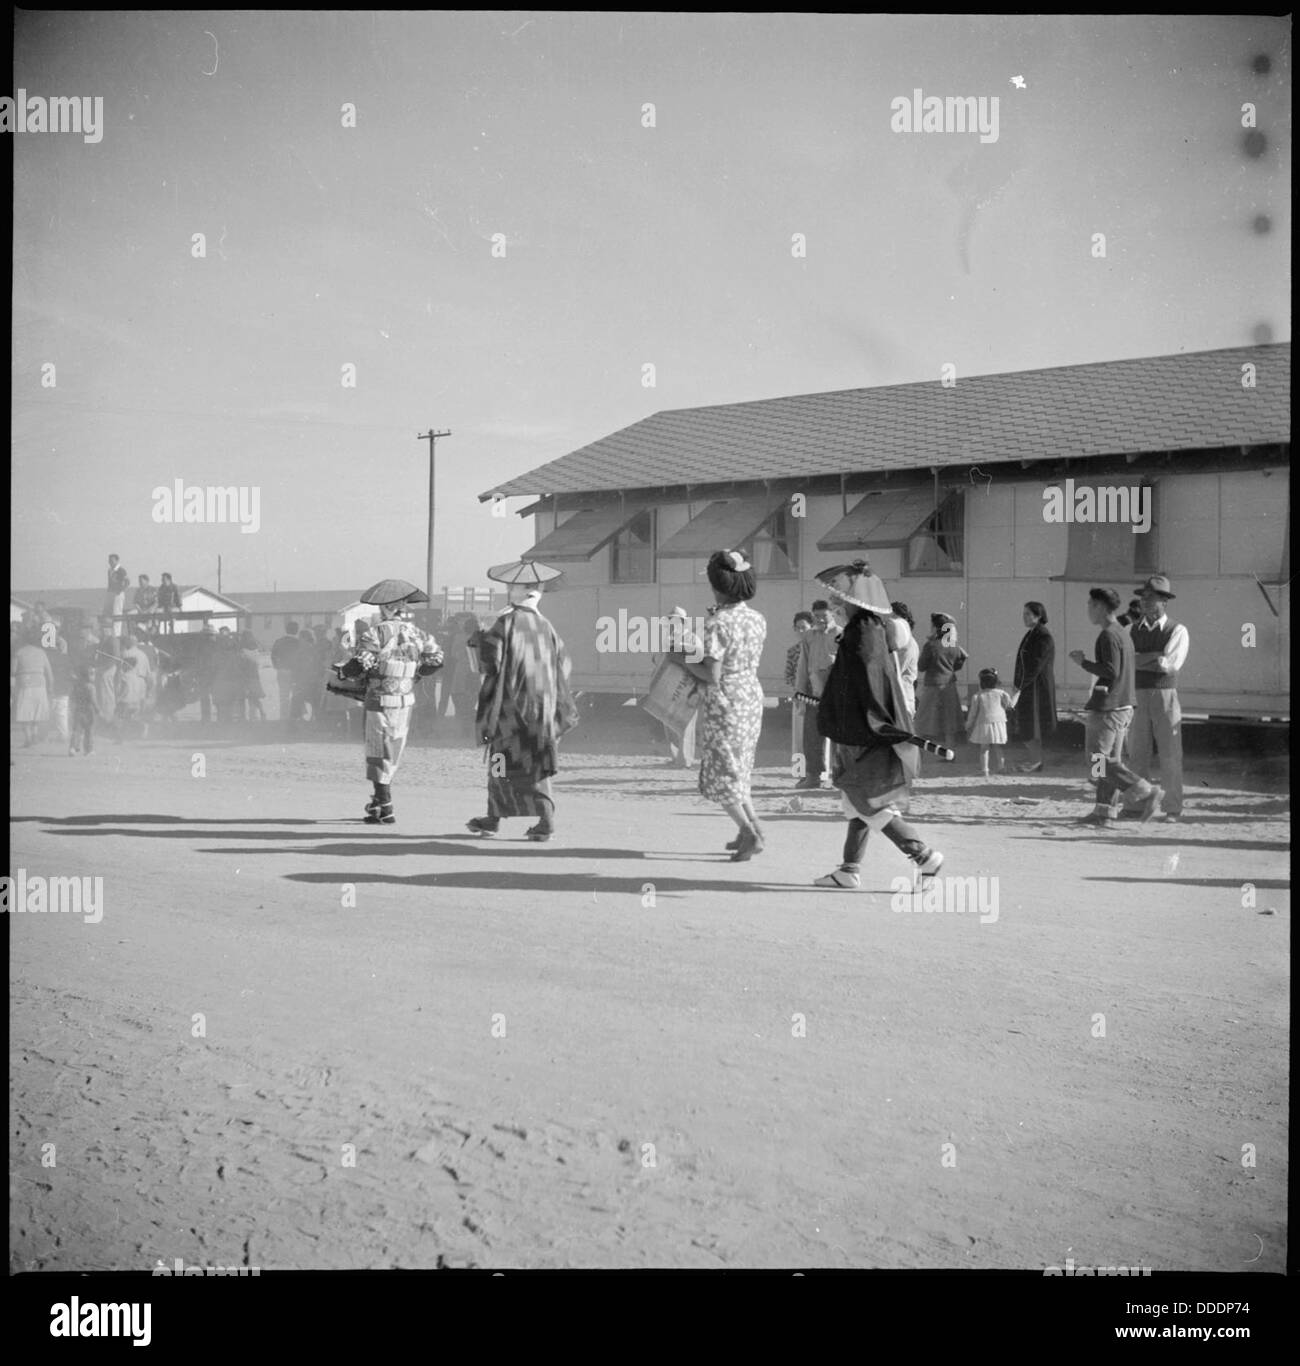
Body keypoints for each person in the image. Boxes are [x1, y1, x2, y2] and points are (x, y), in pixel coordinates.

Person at [810, 560, 944, 890]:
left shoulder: (864, 634)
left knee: (868, 800)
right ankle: (849, 868)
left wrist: (861, 721)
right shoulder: (865, 630)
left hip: (865, 732)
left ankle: (923, 855)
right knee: (855, 801)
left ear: (857, 601)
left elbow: (868, 689)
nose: (836, 604)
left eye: (840, 598)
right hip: (863, 729)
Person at [666, 549, 766, 860]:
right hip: (751, 696)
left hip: (726, 702)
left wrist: (679, 658)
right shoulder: (756, 618)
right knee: (740, 771)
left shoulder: (717, 623)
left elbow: (711, 672)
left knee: (724, 774)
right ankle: (753, 829)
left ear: (717, 586)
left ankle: (749, 834)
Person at [466, 575, 577, 841]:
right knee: (537, 763)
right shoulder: (547, 626)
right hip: (543, 710)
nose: (508, 589)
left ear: (524, 591)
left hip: (510, 710)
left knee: (499, 762)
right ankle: (544, 820)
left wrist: (480, 638)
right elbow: (565, 666)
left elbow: (489, 665)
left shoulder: (505, 623)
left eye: (512, 586)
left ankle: (493, 818)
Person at [336, 585, 443, 824]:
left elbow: (360, 664)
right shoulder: (419, 634)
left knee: (377, 750)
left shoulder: (374, 634)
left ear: (385, 608)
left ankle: (385, 804)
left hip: (379, 699)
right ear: (402, 607)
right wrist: (413, 673)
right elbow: (436, 660)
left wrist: (345, 671)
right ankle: (378, 802)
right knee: (393, 751)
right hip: (405, 700)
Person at [1069, 587, 1163, 827]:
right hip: (1123, 706)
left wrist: (1083, 663)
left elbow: (1111, 671)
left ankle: (1145, 790)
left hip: (1110, 707)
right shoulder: (1121, 633)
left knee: (1097, 759)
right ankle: (1104, 812)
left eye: (1090, 605)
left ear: (1100, 607)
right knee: (1109, 760)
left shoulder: (1108, 635)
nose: (1088, 610)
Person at [1119, 575, 1188, 823]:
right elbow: (1126, 664)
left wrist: (1141, 659)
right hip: (1136, 694)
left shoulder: (1177, 630)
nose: (1146, 603)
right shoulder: (1129, 629)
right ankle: (1134, 806)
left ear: (1164, 602)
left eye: (1153, 598)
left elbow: (1169, 665)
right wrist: (1153, 657)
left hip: (1165, 695)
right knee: (1136, 753)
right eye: (1144, 598)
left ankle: (1172, 808)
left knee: (1170, 753)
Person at [794, 599, 841, 789]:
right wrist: (800, 692)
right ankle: (813, 775)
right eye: (817, 616)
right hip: (814, 695)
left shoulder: (841, 634)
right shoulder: (809, 636)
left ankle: (840, 776)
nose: (820, 619)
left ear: (833, 614)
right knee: (812, 737)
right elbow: (802, 666)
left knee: (840, 739)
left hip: (837, 696)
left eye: (824, 615)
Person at [1012, 601, 1056, 773]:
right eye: (1024, 614)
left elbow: (1035, 666)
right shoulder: (1032, 634)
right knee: (1029, 725)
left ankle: (1036, 761)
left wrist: (1019, 688)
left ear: (1038, 616)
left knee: (1031, 725)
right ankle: (1035, 760)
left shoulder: (1043, 636)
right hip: (1029, 686)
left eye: (1028, 614)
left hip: (1035, 688)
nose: (1024, 617)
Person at [914, 614, 967, 752]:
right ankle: (950, 753)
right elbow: (957, 665)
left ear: (936, 628)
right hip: (949, 685)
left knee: (922, 721)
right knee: (949, 722)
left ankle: (917, 753)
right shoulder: (953, 645)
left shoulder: (931, 645)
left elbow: (921, 666)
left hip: (933, 685)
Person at [965, 668, 1014, 777]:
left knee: (984, 748)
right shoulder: (1002, 693)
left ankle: (985, 770)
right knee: (998, 747)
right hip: (999, 723)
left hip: (983, 723)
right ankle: (1001, 767)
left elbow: (973, 713)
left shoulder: (977, 696)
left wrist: (968, 724)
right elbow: (1009, 706)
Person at [12, 628, 53, 746]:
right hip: (40, 685)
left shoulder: (19, 652)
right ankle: (34, 734)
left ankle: (28, 738)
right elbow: (49, 672)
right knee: (36, 711)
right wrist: (50, 686)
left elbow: (13, 671)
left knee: (24, 713)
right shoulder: (41, 652)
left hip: (25, 685)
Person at [785, 610, 814, 773]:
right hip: (800, 698)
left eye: (804, 627)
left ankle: (819, 771)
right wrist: (799, 685)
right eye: (798, 628)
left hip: (817, 696)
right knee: (799, 737)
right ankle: (799, 770)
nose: (801, 631)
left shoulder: (818, 648)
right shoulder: (793, 651)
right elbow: (788, 675)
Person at [887, 601, 920, 725]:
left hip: (902, 696)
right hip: (902, 695)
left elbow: (896, 671)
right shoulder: (908, 643)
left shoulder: (906, 645)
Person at [271, 621, 302, 723]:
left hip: (282, 671)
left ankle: (283, 717)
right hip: (295, 672)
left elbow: (273, 656)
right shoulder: (298, 642)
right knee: (296, 695)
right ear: (296, 630)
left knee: (283, 696)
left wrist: (277, 666)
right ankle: (295, 717)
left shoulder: (279, 641)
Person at [46, 635, 72, 746]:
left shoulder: (51, 658)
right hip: (64, 689)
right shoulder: (67, 658)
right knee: (61, 713)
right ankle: (62, 734)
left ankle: (62, 735)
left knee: (56, 713)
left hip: (56, 688)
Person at [69, 663, 98, 755]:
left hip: (78, 710)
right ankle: (88, 749)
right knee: (89, 731)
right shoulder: (91, 687)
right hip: (89, 711)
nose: (94, 676)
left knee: (77, 730)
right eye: (92, 674)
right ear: (87, 675)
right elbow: (93, 700)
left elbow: (72, 697)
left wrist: (72, 708)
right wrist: (98, 709)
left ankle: (73, 748)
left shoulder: (76, 686)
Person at [240, 631, 266, 721]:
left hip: (245, 675)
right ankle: (255, 714)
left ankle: (251, 716)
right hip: (254, 675)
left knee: (245, 696)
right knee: (254, 696)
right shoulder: (255, 648)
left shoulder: (242, 649)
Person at [104, 554, 130, 636]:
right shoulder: (110, 570)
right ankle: (108, 633)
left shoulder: (121, 570)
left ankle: (117, 634)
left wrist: (121, 590)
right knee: (108, 612)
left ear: (116, 560)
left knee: (117, 613)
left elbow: (127, 581)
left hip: (117, 593)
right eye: (109, 560)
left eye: (112, 560)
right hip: (110, 592)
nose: (110, 562)